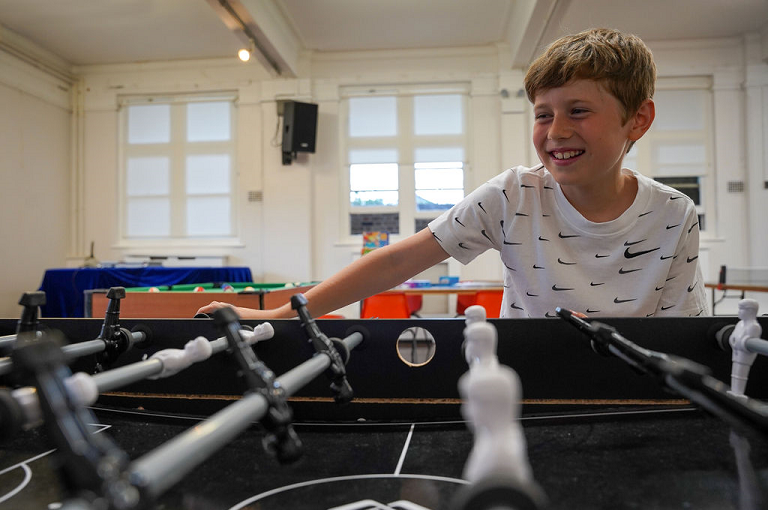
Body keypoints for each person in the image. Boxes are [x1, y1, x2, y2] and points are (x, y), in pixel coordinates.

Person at [197, 28, 709, 320]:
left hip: (629, 400)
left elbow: (680, 333)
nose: (555, 131)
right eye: (543, 114)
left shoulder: (673, 213)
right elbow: (395, 262)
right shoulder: (513, 195)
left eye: (578, 111)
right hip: (522, 390)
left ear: (637, 119)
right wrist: (276, 317)